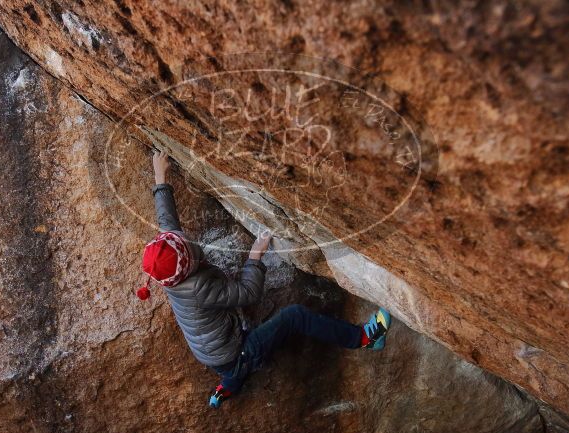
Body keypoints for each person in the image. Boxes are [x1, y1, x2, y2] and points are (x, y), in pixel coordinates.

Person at [138, 150, 392, 408]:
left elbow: (167, 222)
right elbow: (247, 292)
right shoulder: (199, 287)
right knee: (295, 317)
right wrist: (254, 255)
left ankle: (227, 386)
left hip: (210, 354)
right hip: (236, 353)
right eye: (184, 245)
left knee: (231, 370)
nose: (183, 239)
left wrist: (161, 176)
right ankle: (364, 339)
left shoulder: (168, 272)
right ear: (188, 264)